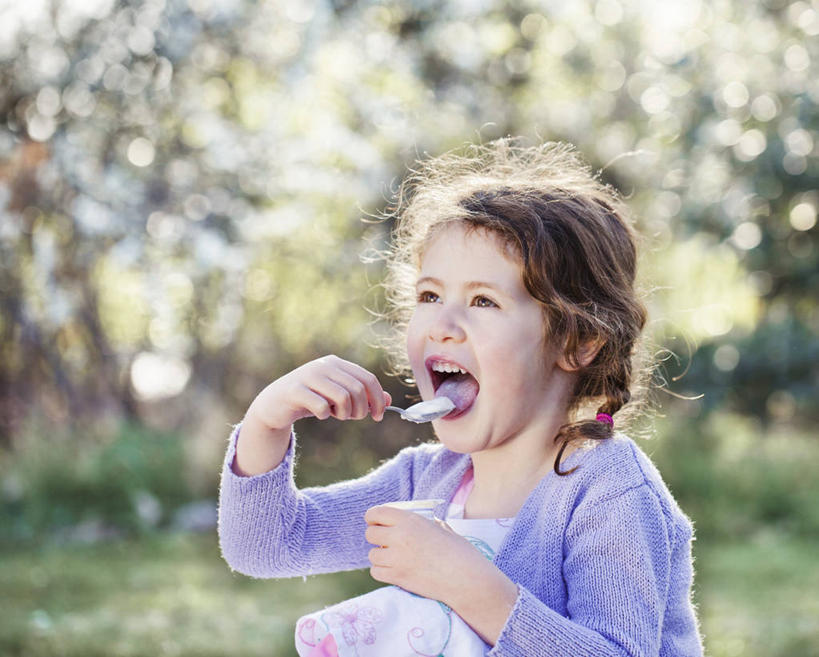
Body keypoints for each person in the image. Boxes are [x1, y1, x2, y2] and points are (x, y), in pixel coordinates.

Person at [217, 139, 704, 656]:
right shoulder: (426, 481)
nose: (442, 325)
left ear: (578, 342)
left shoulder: (607, 489)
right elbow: (268, 547)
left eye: (483, 301)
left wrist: (467, 583)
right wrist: (266, 423)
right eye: (429, 295)